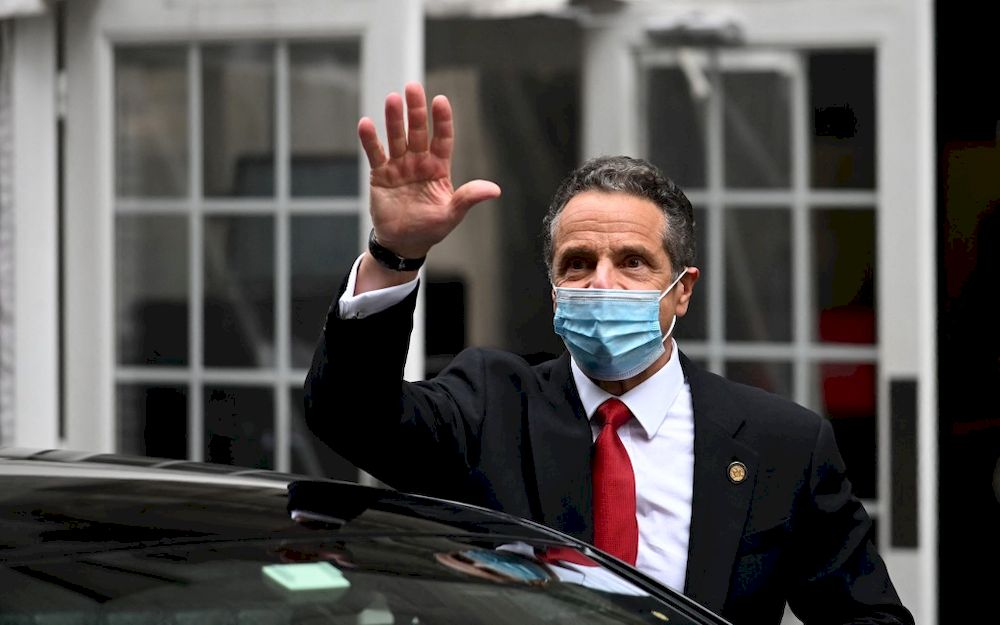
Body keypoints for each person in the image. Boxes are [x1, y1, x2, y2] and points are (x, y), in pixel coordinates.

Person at [304, 82, 912, 625]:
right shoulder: (491, 403)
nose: (601, 283)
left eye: (632, 262)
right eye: (578, 263)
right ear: (553, 293)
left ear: (683, 291)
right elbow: (351, 415)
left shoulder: (783, 446)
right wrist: (395, 254)